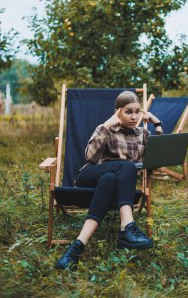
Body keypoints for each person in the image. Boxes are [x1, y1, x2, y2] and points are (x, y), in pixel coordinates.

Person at [56, 90, 163, 270]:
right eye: (128, 111)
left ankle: (77, 247)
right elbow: (89, 157)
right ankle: (127, 226)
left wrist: (157, 124)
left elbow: (158, 161)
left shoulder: (142, 134)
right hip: (89, 176)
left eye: (137, 111)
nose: (134, 116)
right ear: (118, 111)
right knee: (126, 166)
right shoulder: (105, 128)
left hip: (112, 185)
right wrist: (106, 126)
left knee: (110, 179)